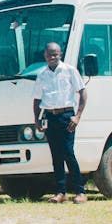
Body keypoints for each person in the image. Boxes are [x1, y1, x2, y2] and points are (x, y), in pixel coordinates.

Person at [33, 42, 88, 204]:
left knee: (68, 153)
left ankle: (80, 192)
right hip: (50, 117)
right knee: (56, 156)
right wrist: (36, 120)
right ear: (45, 55)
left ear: (60, 54)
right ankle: (60, 192)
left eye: (55, 54)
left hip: (66, 117)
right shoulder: (42, 74)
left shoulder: (70, 71)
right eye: (50, 54)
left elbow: (83, 94)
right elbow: (36, 99)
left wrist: (77, 116)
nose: (52, 57)